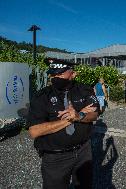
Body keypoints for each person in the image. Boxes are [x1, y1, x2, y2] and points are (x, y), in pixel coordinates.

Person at [28, 58, 99, 189]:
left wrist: (79, 115)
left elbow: (94, 114)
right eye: (53, 74)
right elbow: (34, 131)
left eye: (60, 74)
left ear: (73, 74)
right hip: (55, 158)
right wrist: (68, 120)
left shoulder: (84, 90)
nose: (56, 77)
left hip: (84, 151)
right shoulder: (42, 96)